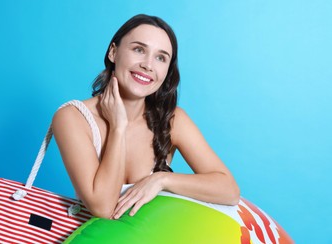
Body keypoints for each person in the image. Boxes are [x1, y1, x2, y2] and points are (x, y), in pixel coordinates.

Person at [52, 14, 240, 226]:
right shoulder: (73, 117)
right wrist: (118, 127)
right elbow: (103, 208)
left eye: (161, 58)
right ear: (113, 52)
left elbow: (229, 190)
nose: (148, 65)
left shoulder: (172, 120)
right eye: (139, 49)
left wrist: (161, 180)